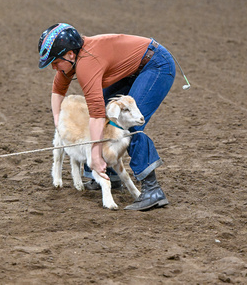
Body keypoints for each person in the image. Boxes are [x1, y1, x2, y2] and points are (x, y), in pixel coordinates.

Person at [38, 23, 176, 211]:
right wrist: (57, 122)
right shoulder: (68, 63)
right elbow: (58, 90)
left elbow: (95, 114)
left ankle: (152, 189)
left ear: (70, 54)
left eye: (55, 62)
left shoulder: (85, 63)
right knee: (106, 112)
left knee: (128, 126)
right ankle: (110, 173)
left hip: (156, 65)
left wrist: (95, 155)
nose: (54, 67)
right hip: (132, 69)